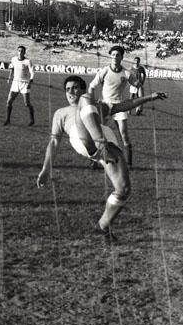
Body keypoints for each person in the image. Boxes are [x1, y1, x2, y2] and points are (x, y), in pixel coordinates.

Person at [36, 75, 167, 238]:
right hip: (85, 139)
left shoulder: (98, 106)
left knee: (124, 189)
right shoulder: (61, 113)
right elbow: (54, 142)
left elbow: (125, 105)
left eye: (75, 88)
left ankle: (102, 226)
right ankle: (100, 142)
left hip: (108, 143)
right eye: (67, 89)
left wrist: (149, 97)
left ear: (82, 88)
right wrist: (46, 169)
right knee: (86, 99)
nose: (70, 92)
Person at [88, 46, 140, 168]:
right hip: (105, 106)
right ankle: (94, 162)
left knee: (124, 134)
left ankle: (129, 164)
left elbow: (137, 85)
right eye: (113, 55)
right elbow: (91, 86)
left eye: (117, 55)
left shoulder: (126, 73)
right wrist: (91, 102)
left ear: (121, 57)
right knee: (98, 134)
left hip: (119, 107)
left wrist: (139, 101)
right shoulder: (105, 71)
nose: (115, 57)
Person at [4, 46, 35, 126]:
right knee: (9, 102)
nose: (20, 52)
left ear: (24, 52)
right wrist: (9, 78)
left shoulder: (28, 61)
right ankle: (7, 120)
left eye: (22, 51)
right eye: (19, 51)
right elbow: (12, 68)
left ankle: (32, 120)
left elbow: (32, 72)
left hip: (25, 83)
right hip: (15, 83)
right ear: (17, 51)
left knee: (27, 103)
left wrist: (30, 82)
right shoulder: (13, 59)